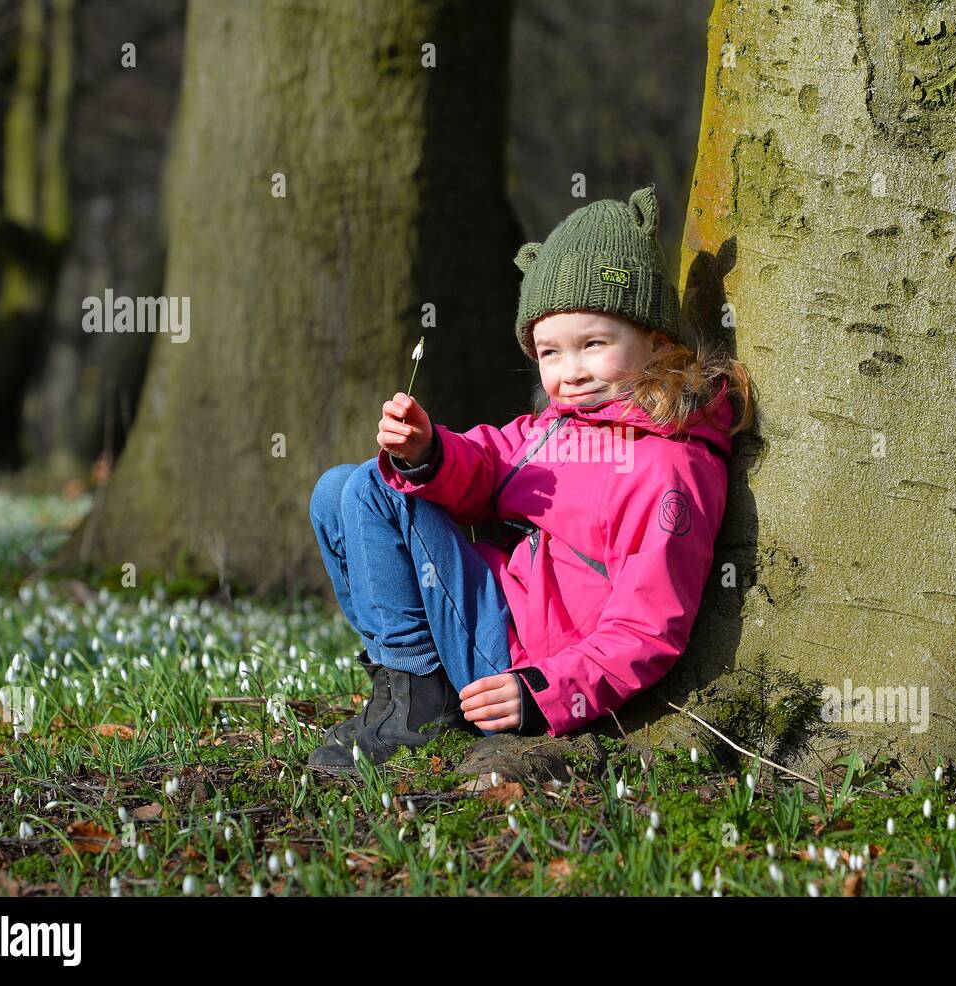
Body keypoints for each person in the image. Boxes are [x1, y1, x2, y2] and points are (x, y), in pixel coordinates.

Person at [307, 183, 755, 773]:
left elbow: (648, 626)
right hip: (496, 615)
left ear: (656, 340)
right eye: (550, 353)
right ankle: (406, 681)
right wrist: (427, 450)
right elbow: (487, 463)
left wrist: (546, 692)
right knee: (336, 489)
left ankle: (417, 701)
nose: (570, 373)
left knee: (371, 488)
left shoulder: (668, 464)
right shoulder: (556, 427)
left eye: (594, 344)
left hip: (525, 665)